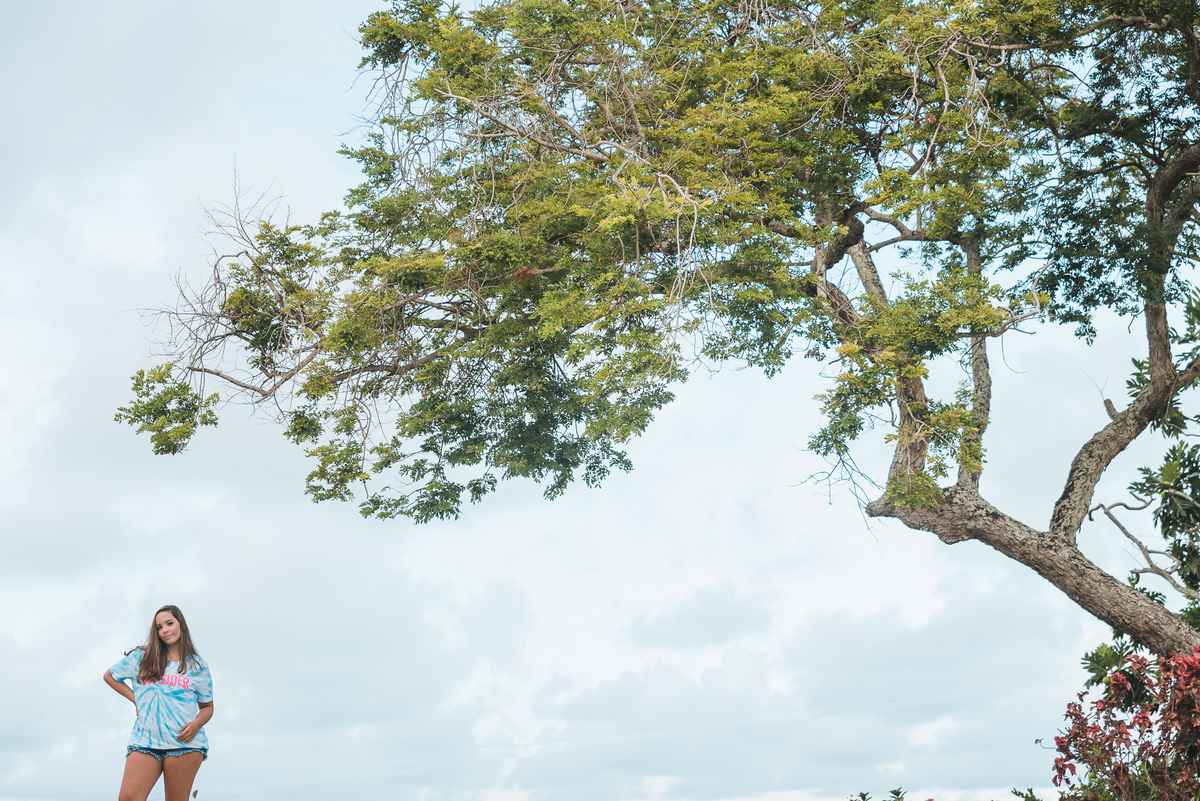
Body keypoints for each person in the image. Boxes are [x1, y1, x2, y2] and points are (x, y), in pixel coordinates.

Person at [103, 605, 214, 801]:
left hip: (184, 744)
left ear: (181, 625)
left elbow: (207, 707)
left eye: (169, 624)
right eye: (159, 627)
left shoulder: (198, 665)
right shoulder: (142, 658)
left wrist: (196, 725)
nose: (165, 630)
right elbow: (110, 676)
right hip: (144, 741)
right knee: (127, 798)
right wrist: (136, 699)